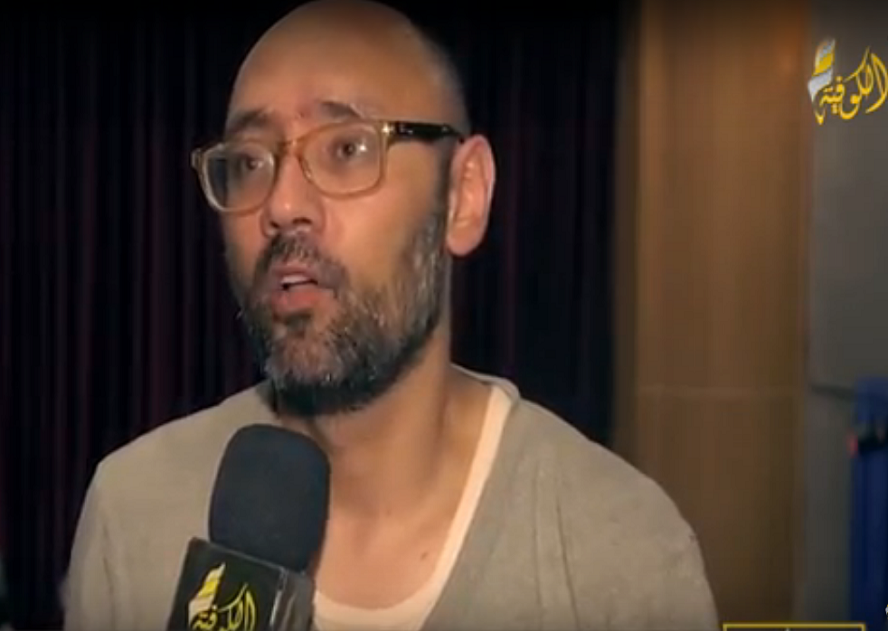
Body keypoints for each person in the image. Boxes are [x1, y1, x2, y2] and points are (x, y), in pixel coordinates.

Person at [64, 1, 719, 630]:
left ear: (463, 196)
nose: (282, 205)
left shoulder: (619, 553)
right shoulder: (133, 513)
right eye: (249, 162)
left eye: (347, 148)